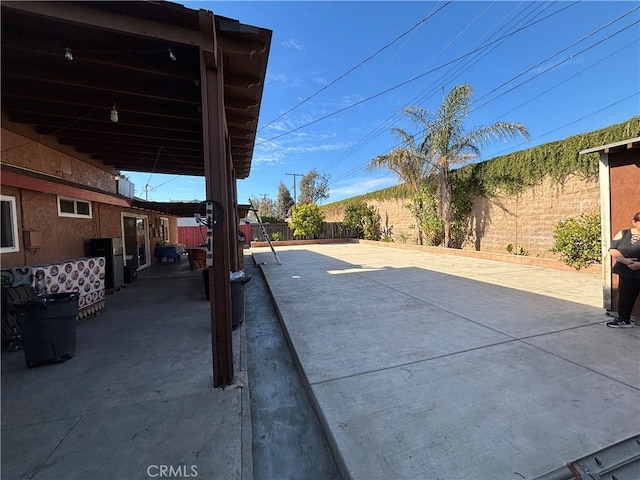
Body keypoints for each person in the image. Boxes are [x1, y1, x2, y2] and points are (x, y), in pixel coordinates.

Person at [607, 211, 640, 328]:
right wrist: (625, 261)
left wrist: (638, 265)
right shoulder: (624, 233)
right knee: (626, 296)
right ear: (634, 222)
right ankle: (623, 320)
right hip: (626, 269)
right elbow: (613, 249)